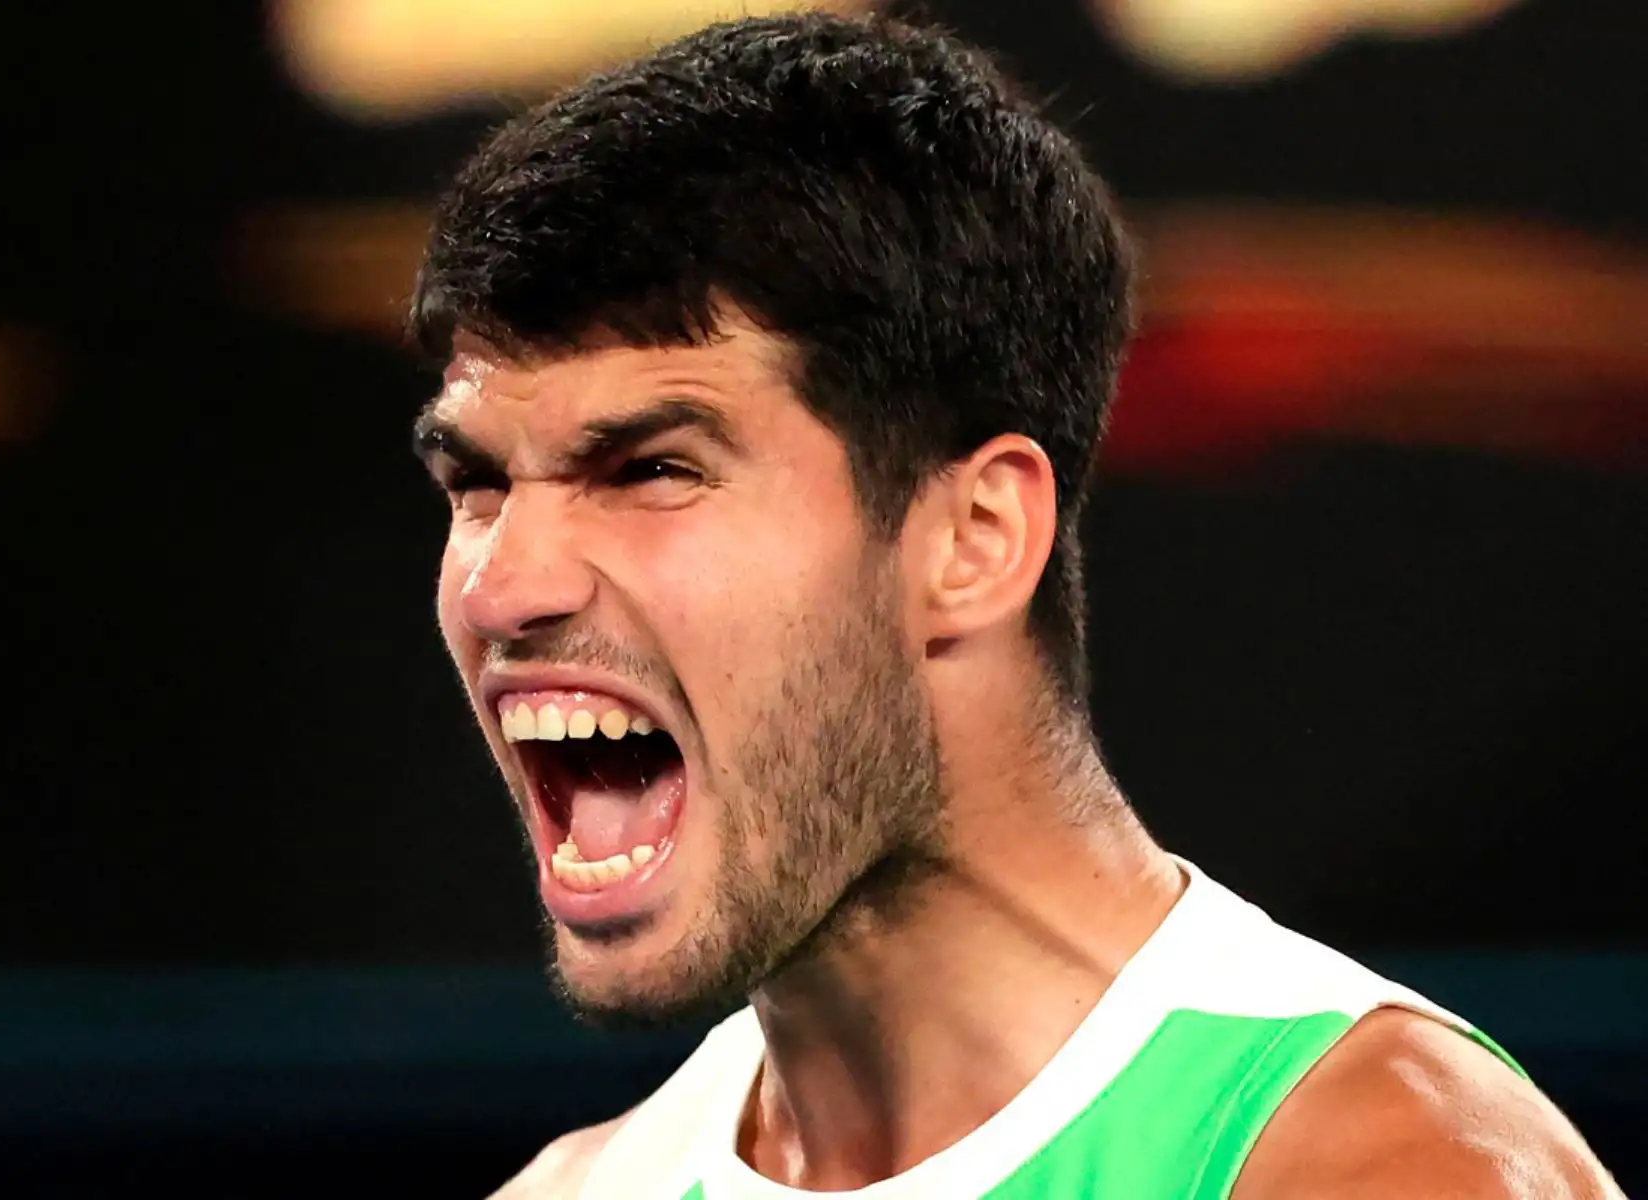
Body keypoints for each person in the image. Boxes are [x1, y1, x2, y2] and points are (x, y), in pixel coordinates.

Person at [405, 12, 1622, 1198]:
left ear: (974, 540)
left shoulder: (1393, 1172)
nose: (506, 584)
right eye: (479, 482)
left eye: (652, 470)